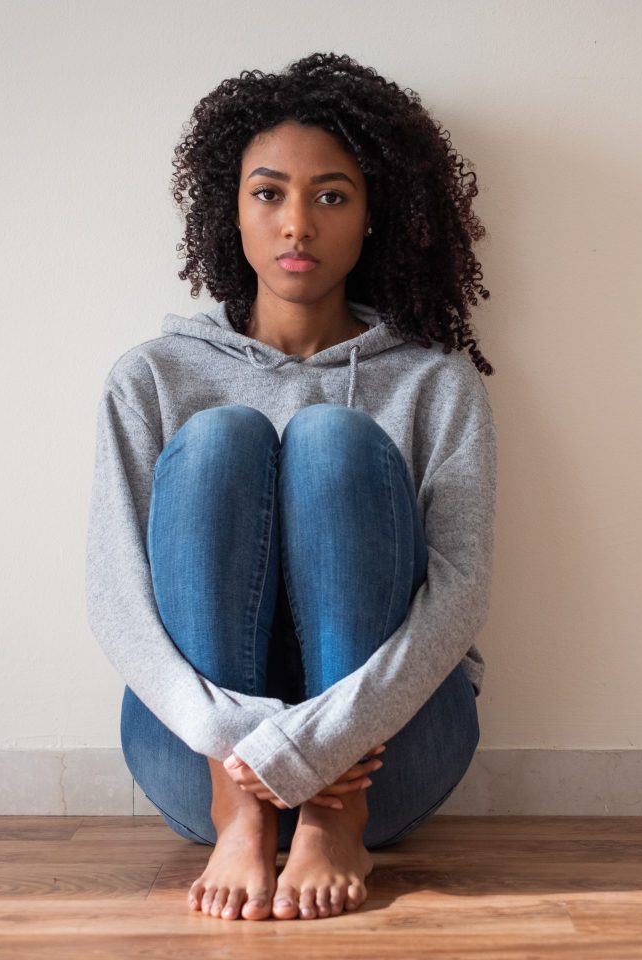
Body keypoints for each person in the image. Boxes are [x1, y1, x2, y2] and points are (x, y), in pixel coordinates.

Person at [84, 52, 497, 923]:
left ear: (375, 214)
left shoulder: (435, 382)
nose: (297, 224)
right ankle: (240, 818)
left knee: (331, 440)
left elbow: (461, 594)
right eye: (268, 193)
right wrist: (239, 744)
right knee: (221, 437)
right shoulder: (151, 377)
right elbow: (115, 593)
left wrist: (327, 743)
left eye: (332, 196)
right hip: (203, 756)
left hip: (386, 758)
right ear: (230, 209)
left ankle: (334, 822)